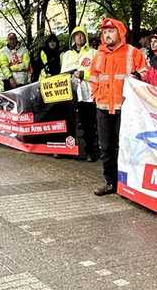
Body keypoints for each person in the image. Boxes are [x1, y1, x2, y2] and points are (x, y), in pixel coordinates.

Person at [90, 17, 148, 195]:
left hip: (126, 108)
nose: (107, 35)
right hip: (103, 107)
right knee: (106, 147)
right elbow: (93, 78)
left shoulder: (133, 52)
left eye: (111, 31)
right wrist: (95, 95)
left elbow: (145, 73)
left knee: (127, 146)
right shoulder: (99, 54)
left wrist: (138, 76)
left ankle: (128, 184)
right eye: (105, 32)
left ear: (120, 32)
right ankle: (110, 182)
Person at [61, 29, 100, 162]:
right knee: (68, 122)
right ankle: (67, 148)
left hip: (88, 94)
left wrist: (84, 75)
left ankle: (91, 151)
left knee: (89, 123)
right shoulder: (67, 55)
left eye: (82, 35)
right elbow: (62, 74)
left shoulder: (93, 53)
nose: (79, 37)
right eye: (76, 35)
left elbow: (98, 74)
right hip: (70, 93)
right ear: (72, 38)